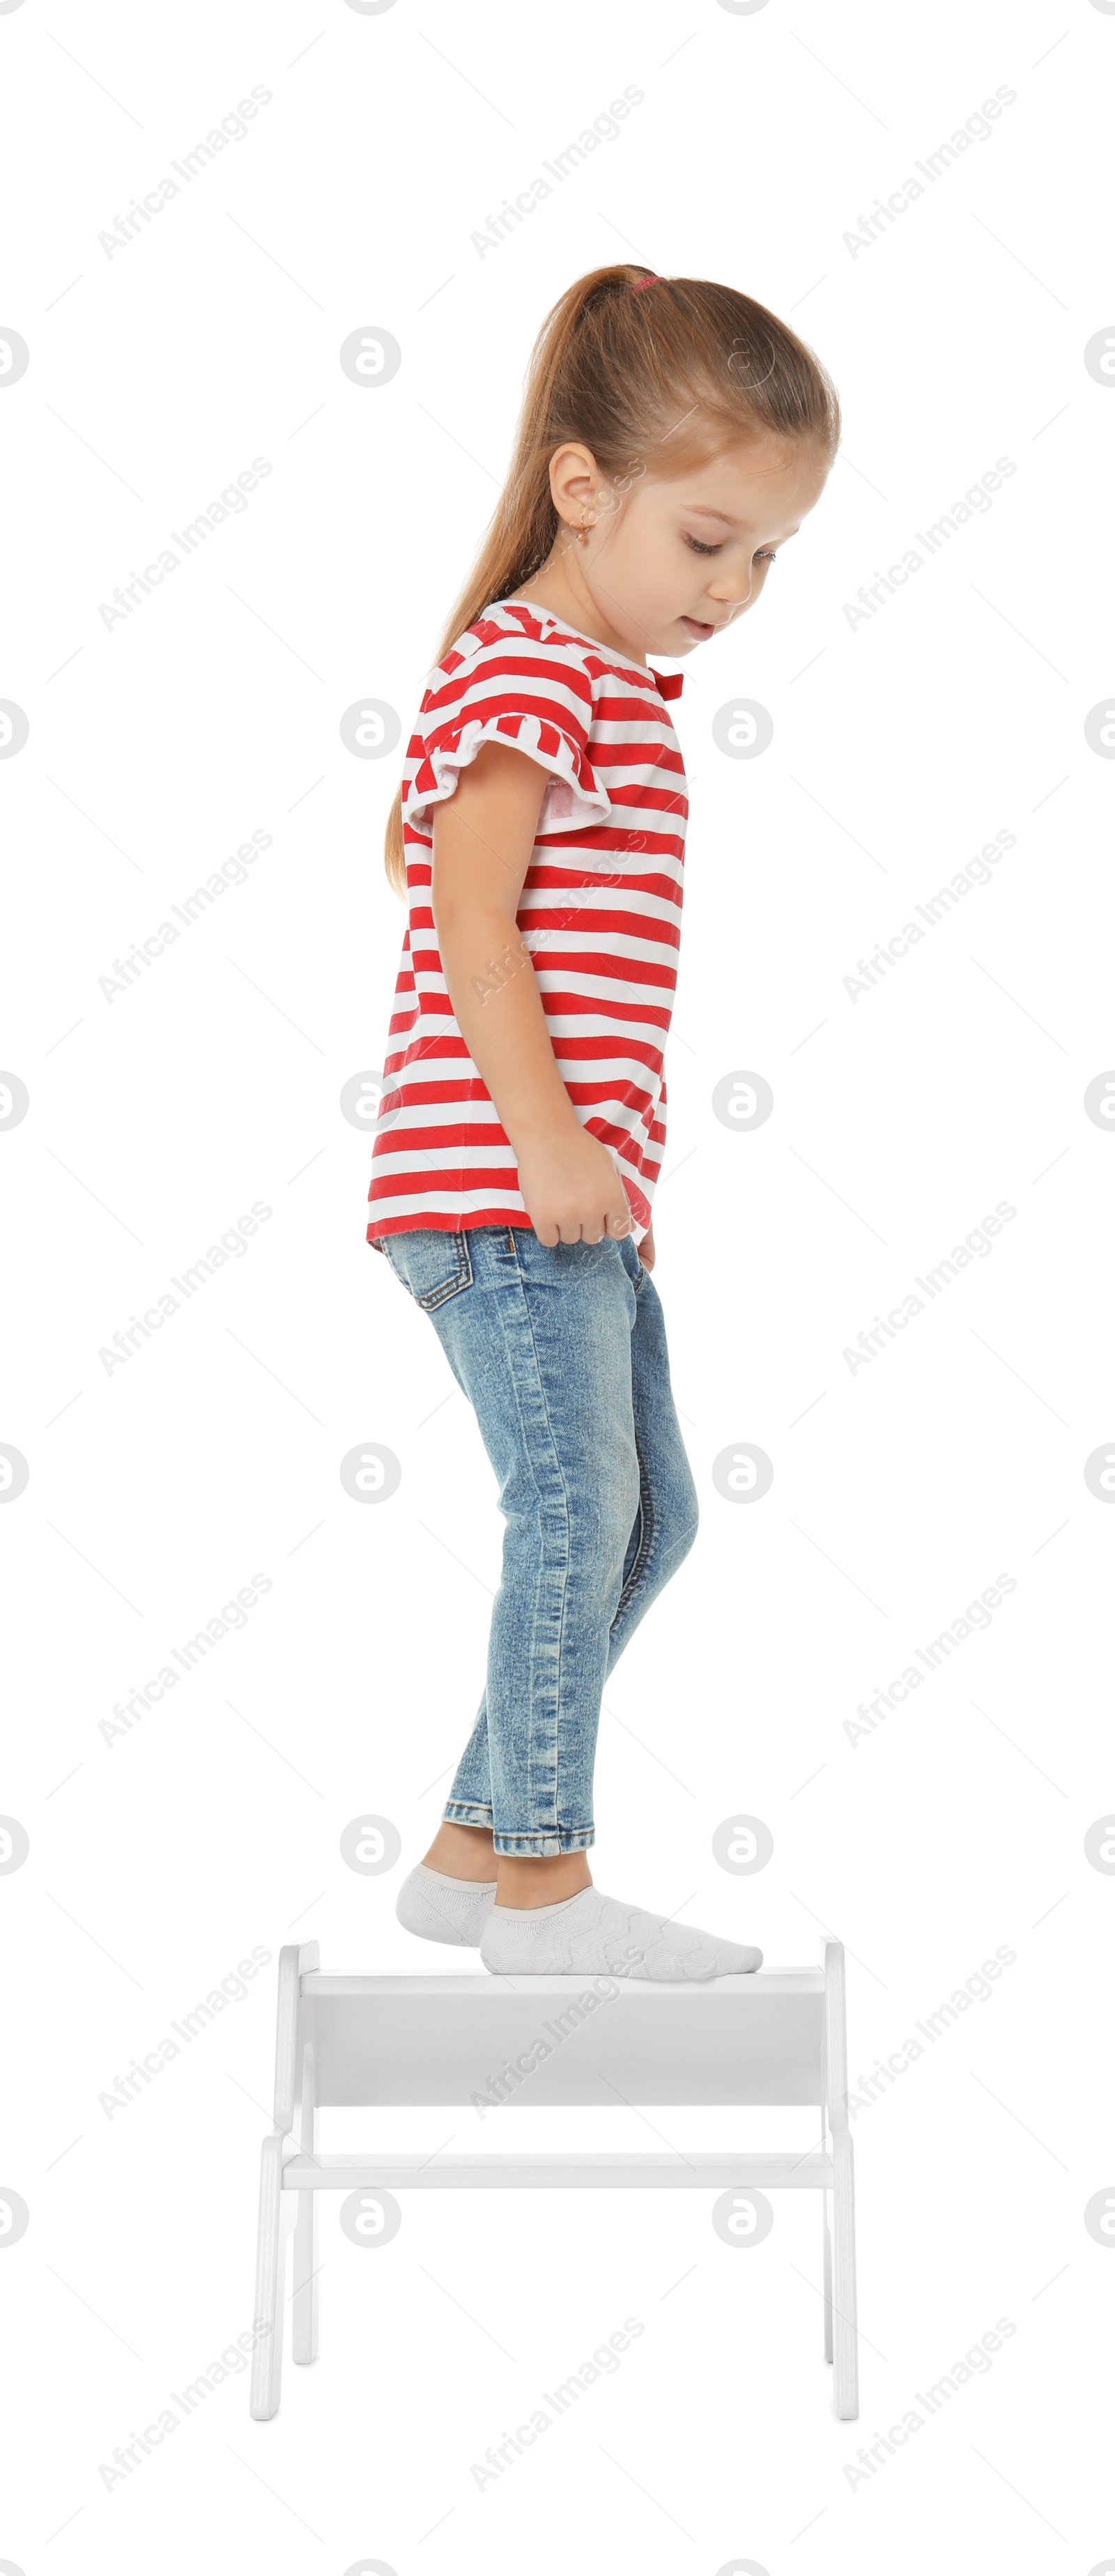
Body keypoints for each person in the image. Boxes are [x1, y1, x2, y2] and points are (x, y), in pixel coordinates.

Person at [368, 265, 837, 1979]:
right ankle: (544, 1898)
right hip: (503, 1182)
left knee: (648, 1519)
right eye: (707, 540)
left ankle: (468, 1846)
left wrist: (605, 1171)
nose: (735, 588)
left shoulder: (616, 688)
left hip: (568, 1191)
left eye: (767, 556)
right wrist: (555, 1147)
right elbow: (472, 923)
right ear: (584, 489)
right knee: (575, 1513)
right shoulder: (526, 666)